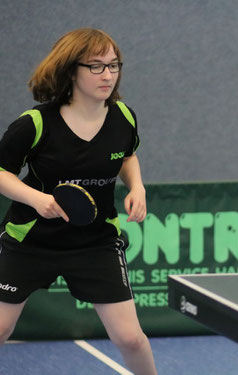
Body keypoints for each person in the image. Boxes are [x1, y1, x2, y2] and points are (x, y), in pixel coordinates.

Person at [0, 29, 157, 374]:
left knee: (131, 339)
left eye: (114, 65)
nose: (108, 75)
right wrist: (35, 198)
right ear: (72, 70)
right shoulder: (35, 123)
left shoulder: (123, 117)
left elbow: (127, 155)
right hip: (32, 240)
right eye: (96, 66)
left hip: (95, 242)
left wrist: (137, 187)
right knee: (0, 329)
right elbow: (2, 171)